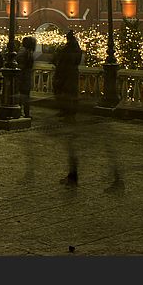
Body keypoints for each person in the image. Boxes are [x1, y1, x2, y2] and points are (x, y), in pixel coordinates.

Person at [53, 30, 83, 185]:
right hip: (72, 84)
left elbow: (61, 66)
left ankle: (73, 175)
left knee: (70, 139)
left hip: (66, 85)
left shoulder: (67, 52)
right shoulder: (76, 52)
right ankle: (73, 174)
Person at [17, 36, 37, 118]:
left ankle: (24, 113)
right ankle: (23, 113)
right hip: (23, 77)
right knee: (24, 96)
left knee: (24, 96)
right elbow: (23, 66)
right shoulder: (25, 52)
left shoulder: (25, 52)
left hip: (24, 77)